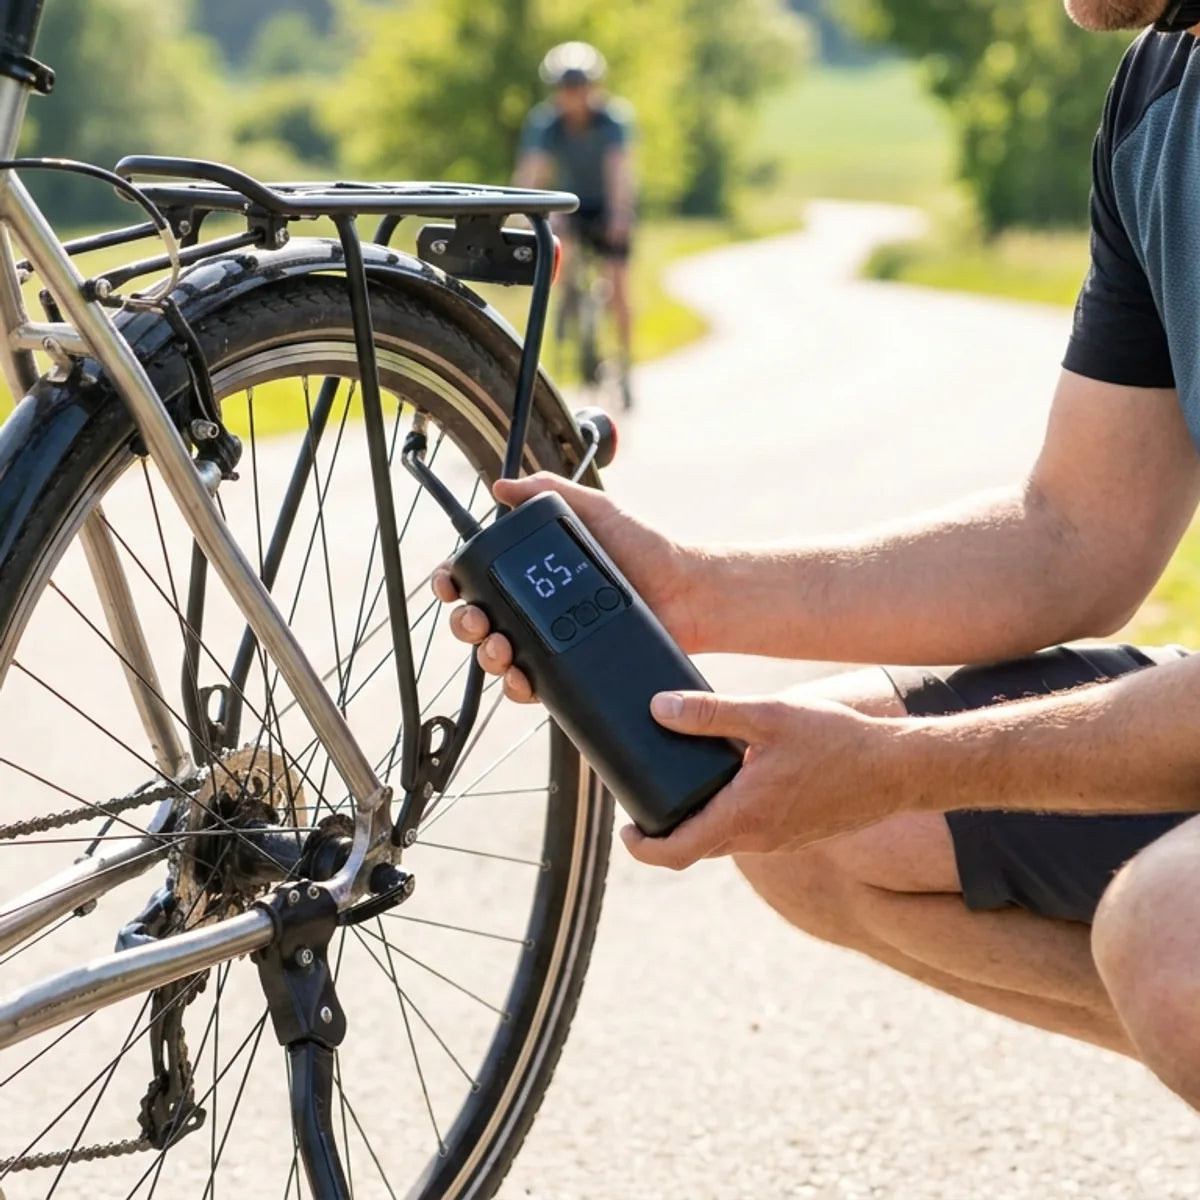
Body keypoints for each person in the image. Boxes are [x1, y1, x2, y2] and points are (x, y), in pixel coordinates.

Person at [437, 0, 1200, 1112]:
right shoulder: (1156, 97)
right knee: (815, 837)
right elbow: (1075, 539)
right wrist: (690, 588)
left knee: (1167, 933)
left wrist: (898, 767)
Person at [514, 42, 637, 408]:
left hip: (607, 207)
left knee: (616, 285)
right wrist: (521, 211)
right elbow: (531, 171)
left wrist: (619, 217)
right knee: (559, 254)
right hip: (569, 206)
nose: (573, 96)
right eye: (565, 88)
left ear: (593, 87)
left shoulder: (613, 121)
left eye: (580, 87)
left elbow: (619, 172)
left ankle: (627, 366)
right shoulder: (546, 124)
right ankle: (569, 306)